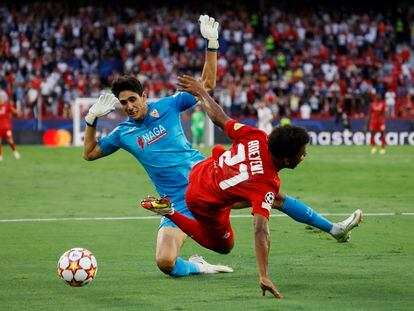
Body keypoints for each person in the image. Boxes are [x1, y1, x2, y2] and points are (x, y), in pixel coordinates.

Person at [142, 75, 363, 298]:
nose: (304, 155)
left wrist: (201, 92)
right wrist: (263, 274)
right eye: (301, 153)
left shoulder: (257, 136)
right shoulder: (266, 182)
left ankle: (335, 229)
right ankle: (170, 211)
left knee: (273, 197)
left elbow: (220, 118)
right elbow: (260, 229)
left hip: (204, 169)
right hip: (200, 199)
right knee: (224, 246)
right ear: (287, 160)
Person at [83, 15, 233, 277]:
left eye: (132, 99)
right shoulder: (122, 133)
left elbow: (206, 86)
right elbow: (90, 154)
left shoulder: (169, 105)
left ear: (144, 96)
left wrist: (211, 43)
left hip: (206, 183)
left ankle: (326, 226)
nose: (129, 107)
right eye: (123, 103)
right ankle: (199, 267)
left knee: (263, 196)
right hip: (175, 202)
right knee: (165, 262)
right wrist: (91, 120)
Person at [0, 92, 21, 161]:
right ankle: (0, 156)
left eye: (1, 98)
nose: (1, 99)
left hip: (6, 127)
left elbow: (16, 112)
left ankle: (14, 152)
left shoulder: (6, 106)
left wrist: (18, 110)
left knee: (10, 140)